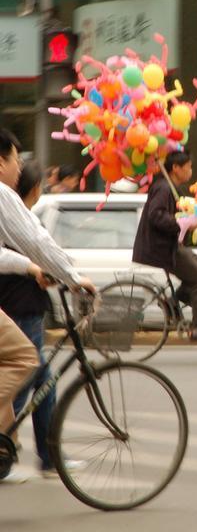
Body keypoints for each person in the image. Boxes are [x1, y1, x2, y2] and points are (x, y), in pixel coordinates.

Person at [0, 129, 96, 481]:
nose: (19, 167)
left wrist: (31, 267)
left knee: (38, 375)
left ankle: (39, 454)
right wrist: (72, 277)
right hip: (20, 303)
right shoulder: (3, 195)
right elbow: (37, 241)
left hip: (19, 300)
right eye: (17, 159)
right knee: (27, 363)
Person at [0, 160, 59, 478]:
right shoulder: (19, 221)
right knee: (24, 376)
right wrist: (70, 276)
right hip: (23, 309)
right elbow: (41, 253)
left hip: (19, 307)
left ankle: (50, 457)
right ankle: (6, 443)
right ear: (35, 189)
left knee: (44, 383)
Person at [133, 150, 197, 343]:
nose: (190, 171)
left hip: (170, 245)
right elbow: (156, 215)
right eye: (187, 167)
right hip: (161, 248)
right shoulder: (163, 187)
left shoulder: (172, 187)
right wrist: (180, 223)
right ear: (175, 168)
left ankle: (172, 303)